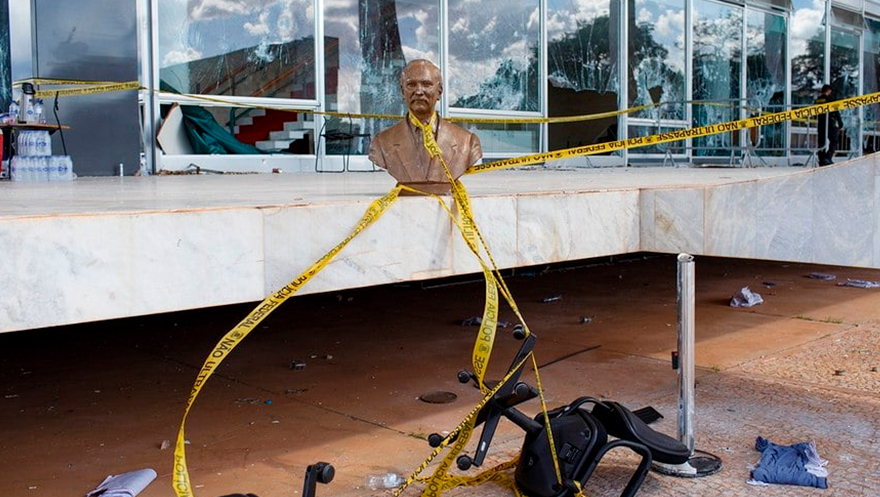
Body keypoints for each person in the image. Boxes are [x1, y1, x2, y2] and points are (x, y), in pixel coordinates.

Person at [368, 59, 482, 195]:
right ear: (402, 91)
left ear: (440, 91)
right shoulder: (381, 143)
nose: (419, 91)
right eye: (411, 85)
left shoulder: (467, 142)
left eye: (426, 84)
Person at [814, 85, 843, 166]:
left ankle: (821, 160)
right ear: (828, 91)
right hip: (830, 123)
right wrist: (840, 123)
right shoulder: (830, 100)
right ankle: (827, 157)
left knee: (821, 142)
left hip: (821, 123)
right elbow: (836, 112)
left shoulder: (818, 100)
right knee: (834, 141)